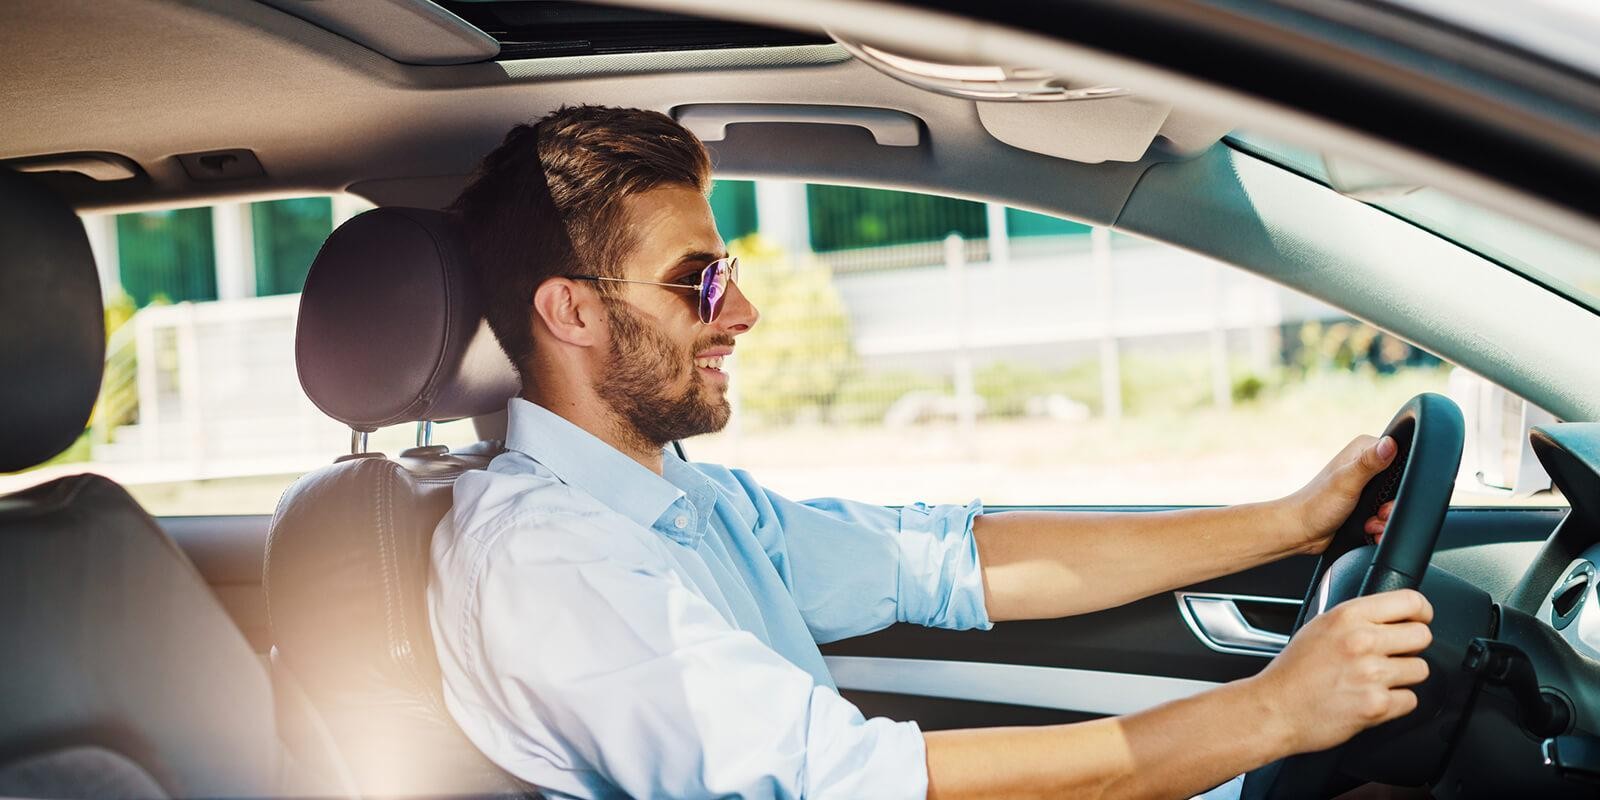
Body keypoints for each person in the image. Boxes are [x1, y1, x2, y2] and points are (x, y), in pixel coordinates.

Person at [428, 105, 1430, 800]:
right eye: (700, 282)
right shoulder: (546, 561)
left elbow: (950, 560)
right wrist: (1269, 714)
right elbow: (843, 783)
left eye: (727, 273)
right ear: (571, 313)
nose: (742, 311)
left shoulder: (687, 503)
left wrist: (1288, 525)